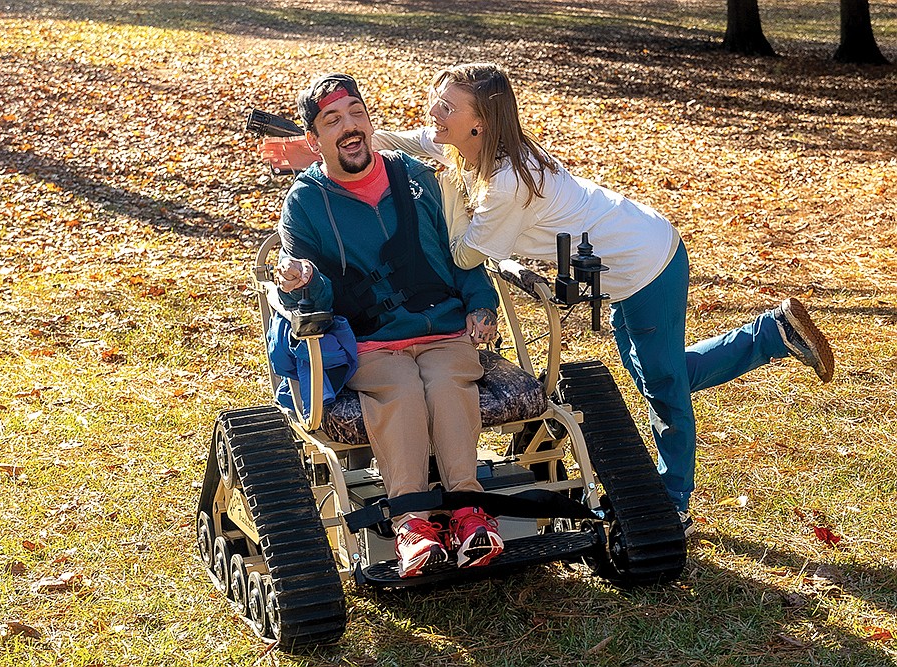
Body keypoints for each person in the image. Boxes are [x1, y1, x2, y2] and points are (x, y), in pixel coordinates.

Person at [265, 63, 835, 534]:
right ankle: (770, 335)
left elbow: (464, 255)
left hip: (642, 263)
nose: (431, 114)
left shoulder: (506, 180)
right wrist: (315, 153)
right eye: (435, 103)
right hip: (615, 267)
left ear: (478, 123)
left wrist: (435, 237)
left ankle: (675, 499)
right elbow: (393, 145)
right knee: (657, 373)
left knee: (663, 385)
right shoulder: (466, 151)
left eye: (445, 107)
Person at [273, 73, 505, 577]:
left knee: (447, 383)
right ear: (314, 141)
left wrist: (481, 305)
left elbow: (465, 257)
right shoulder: (305, 203)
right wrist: (303, 281)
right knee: (399, 391)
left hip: (444, 331)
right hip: (372, 345)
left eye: (357, 112)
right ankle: (413, 525)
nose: (349, 126)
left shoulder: (419, 179)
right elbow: (317, 298)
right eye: (333, 120)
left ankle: (470, 516)